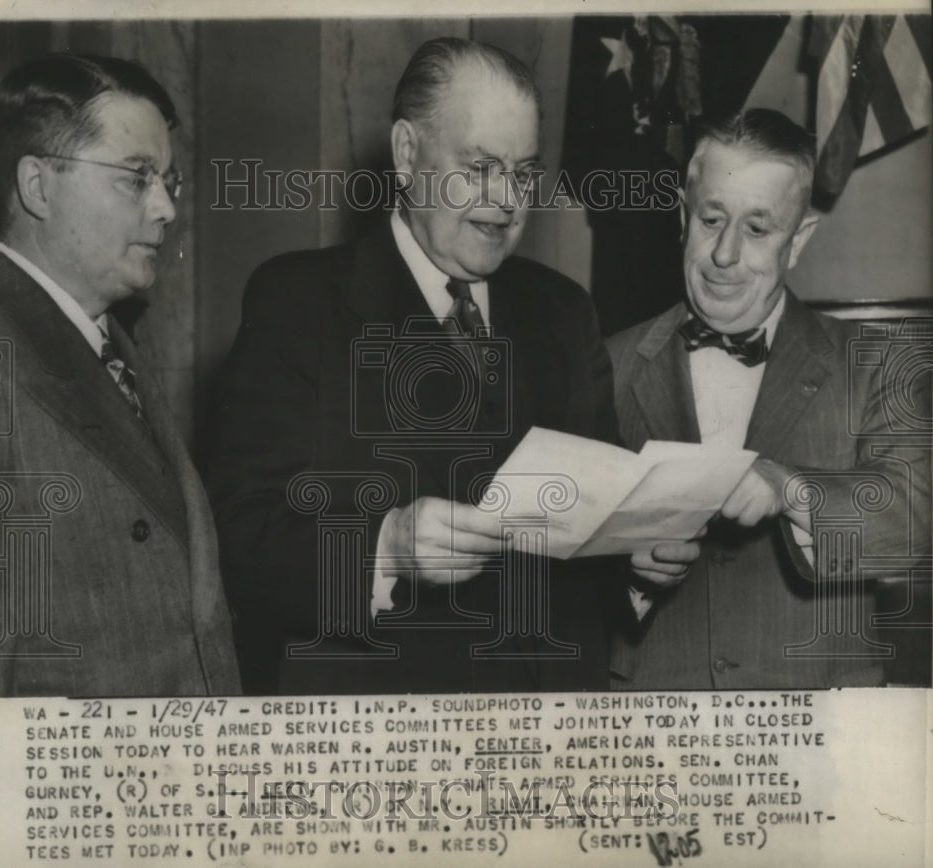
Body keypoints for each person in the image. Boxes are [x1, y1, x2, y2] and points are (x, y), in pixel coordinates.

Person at [207, 37, 698, 695]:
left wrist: (637, 558)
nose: (505, 202)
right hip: (384, 736)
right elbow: (242, 539)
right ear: (408, 154)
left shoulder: (563, 310)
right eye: (481, 167)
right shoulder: (298, 303)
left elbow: (592, 524)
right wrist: (389, 547)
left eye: (524, 173)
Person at [607, 108, 931, 689]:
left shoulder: (878, 363)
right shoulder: (606, 362)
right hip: (652, 737)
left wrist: (788, 487)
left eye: (758, 229)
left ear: (799, 239)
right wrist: (627, 578)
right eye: (711, 220)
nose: (725, 255)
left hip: (822, 737)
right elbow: (546, 567)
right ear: (683, 216)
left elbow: (912, 524)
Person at [0, 54, 240, 696]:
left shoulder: (113, 345)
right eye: (135, 178)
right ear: (38, 186)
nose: (167, 208)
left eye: (169, 180)